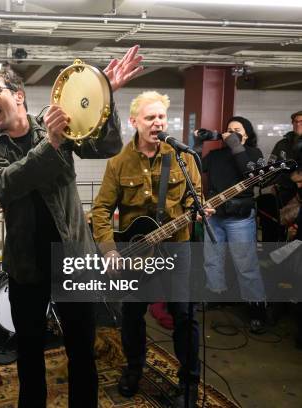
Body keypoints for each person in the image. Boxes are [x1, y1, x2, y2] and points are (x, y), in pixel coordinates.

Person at [0, 45, 143, 408]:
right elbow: (3, 184)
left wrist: (101, 99)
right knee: (30, 354)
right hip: (25, 266)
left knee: (82, 351)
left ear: (18, 96)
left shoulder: (55, 121)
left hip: (73, 259)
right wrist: (51, 143)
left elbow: (105, 147)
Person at [91, 91, 213, 408]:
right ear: (134, 122)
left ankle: (189, 382)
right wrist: (109, 250)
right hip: (135, 253)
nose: (157, 123)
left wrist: (197, 208)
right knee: (132, 313)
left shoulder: (184, 157)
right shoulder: (119, 163)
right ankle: (133, 369)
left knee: (185, 315)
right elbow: (101, 211)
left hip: (178, 248)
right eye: (150, 117)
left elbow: (194, 194)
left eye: (161, 117)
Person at [201, 116, 267, 333]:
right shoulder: (216, 155)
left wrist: (236, 145)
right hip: (215, 214)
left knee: (245, 264)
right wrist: (197, 144)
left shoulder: (253, 154)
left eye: (237, 130)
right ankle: (216, 295)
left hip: (239, 217)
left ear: (246, 135)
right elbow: (197, 169)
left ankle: (257, 308)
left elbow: (251, 174)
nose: (230, 133)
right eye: (228, 130)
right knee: (212, 259)